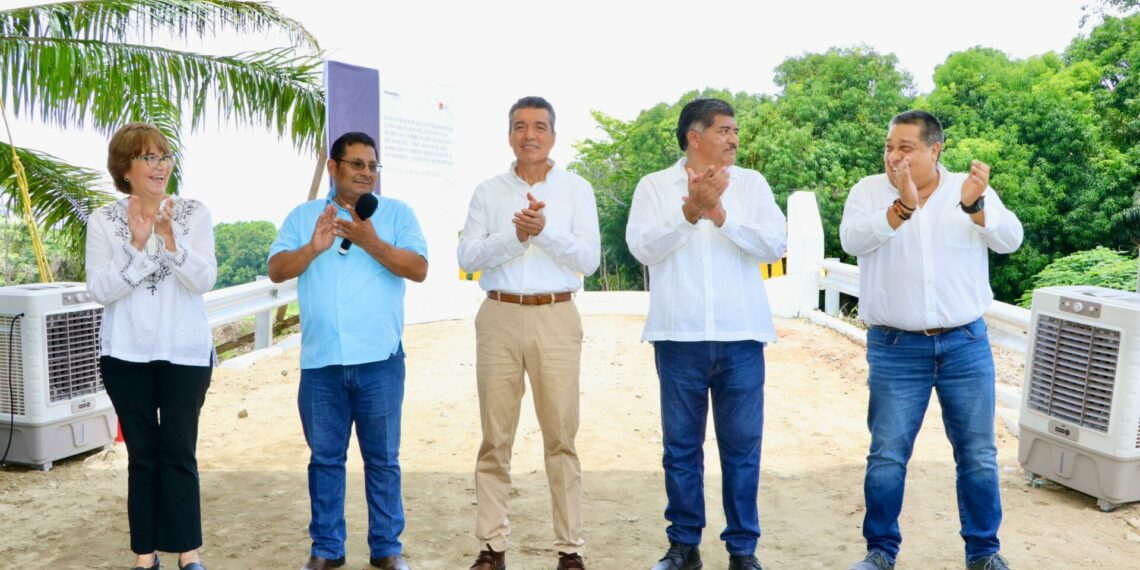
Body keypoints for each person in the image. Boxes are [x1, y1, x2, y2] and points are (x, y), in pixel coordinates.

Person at [839, 110, 1023, 570]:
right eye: (888, 146)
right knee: (887, 456)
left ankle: (983, 552)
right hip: (896, 349)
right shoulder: (868, 192)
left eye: (905, 147)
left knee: (978, 455)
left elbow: (1011, 240)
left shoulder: (968, 188)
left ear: (934, 149)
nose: (893, 156)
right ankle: (880, 552)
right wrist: (900, 207)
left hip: (965, 345)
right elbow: (852, 240)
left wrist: (976, 208)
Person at [626, 98, 787, 570]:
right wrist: (688, 212)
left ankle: (742, 550)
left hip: (741, 337)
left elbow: (775, 244)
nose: (734, 138)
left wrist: (719, 215)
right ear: (694, 137)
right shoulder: (655, 187)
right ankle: (684, 546)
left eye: (735, 131)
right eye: (724, 130)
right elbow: (643, 249)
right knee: (680, 449)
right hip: (678, 337)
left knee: (742, 450)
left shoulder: (752, 186)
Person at [268, 132, 428, 570]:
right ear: (333, 167)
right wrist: (312, 248)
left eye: (372, 166)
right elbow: (277, 269)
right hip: (321, 364)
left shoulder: (395, 214)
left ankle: (386, 550)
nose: (366, 173)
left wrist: (369, 240)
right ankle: (326, 549)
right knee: (324, 461)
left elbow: (418, 269)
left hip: (380, 360)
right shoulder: (304, 217)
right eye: (356, 164)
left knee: (383, 461)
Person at [457, 96, 600, 570]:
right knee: (495, 438)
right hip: (498, 316)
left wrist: (543, 231)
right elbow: (468, 257)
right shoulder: (488, 192)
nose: (529, 134)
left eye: (539, 126)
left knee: (561, 437)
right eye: (520, 126)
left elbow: (588, 260)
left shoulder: (577, 189)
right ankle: (491, 547)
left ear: (554, 136)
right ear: (509, 135)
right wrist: (515, 237)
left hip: (556, 315)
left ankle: (570, 550)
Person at [87, 122, 216, 570]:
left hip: (185, 353)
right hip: (125, 354)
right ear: (126, 169)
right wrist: (140, 246)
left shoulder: (194, 213)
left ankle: (188, 553)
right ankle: (146, 556)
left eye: (165, 157)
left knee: (179, 451)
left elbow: (204, 279)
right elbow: (101, 289)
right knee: (143, 456)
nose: (161, 166)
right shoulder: (103, 221)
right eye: (150, 157)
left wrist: (169, 242)